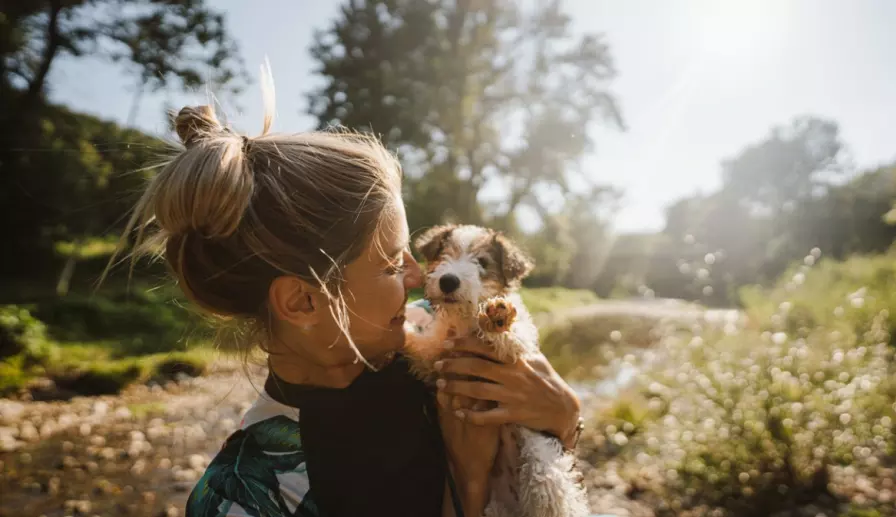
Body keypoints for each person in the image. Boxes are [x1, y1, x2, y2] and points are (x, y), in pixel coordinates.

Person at [119, 87, 582, 517]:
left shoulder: (429, 344)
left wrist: (563, 420)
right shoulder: (245, 497)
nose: (420, 276)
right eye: (389, 264)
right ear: (302, 301)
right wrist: (467, 475)